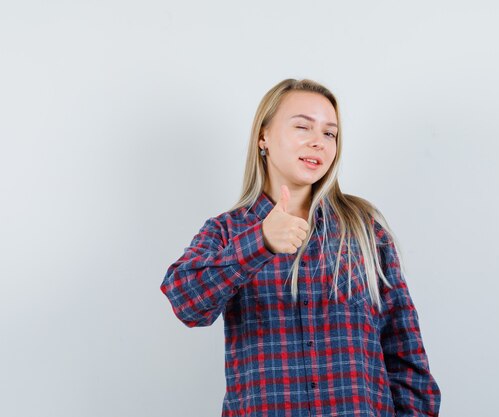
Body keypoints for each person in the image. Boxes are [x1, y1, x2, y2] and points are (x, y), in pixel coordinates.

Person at [160, 78, 441, 416]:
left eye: (329, 133)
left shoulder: (365, 229)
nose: (318, 142)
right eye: (302, 127)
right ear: (263, 137)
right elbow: (186, 302)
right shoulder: (227, 230)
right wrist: (259, 243)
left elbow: (405, 352)